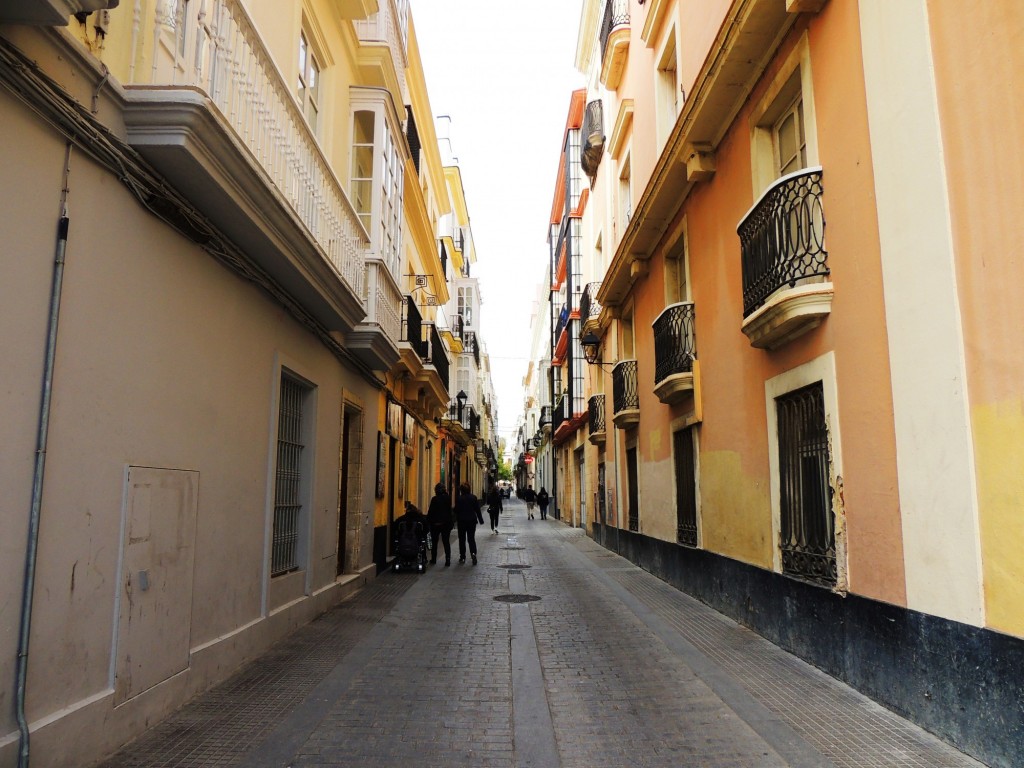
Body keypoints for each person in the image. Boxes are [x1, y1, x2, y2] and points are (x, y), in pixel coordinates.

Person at [454, 482, 484, 565]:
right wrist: (481, 520)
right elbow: (477, 510)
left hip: (462, 521)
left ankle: (462, 557)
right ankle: (473, 553)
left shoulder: (459, 498)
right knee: (471, 538)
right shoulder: (473, 498)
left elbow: (456, 510)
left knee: (462, 539)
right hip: (471, 521)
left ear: (461, 490)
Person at [426, 483, 453, 566]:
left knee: (434, 542)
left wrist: (428, 521)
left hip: (435, 524)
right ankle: (447, 559)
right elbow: (449, 511)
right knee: (446, 542)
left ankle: (433, 559)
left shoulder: (434, 499)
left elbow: (430, 512)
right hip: (446, 524)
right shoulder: (448, 498)